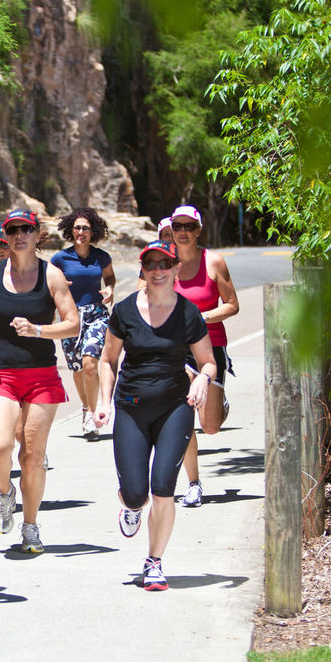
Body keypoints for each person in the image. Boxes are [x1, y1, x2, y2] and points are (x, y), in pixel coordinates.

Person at [93, 241, 216, 591]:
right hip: (131, 408)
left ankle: (154, 562)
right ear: (142, 270)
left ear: (176, 269)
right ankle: (131, 508)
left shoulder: (188, 314)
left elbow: (208, 361)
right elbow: (107, 360)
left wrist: (203, 380)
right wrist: (104, 402)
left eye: (165, 264)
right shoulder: (126, 311)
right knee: (136, 493)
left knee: (163, 489)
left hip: (175, 407)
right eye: (151, 265)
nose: (158, 270)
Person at [0, 209, 78, 554]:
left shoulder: (52, 276)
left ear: (37, 235)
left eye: (26, 229)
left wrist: (39, 331)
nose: (19, 234)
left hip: (41, 376)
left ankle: (31, 526)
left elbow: (73, 324)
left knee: (32, 456)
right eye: (13, 229)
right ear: (6, 235)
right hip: (2, 373)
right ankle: (5, 492)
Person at [167, 205, 239, 507]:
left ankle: (218, 403)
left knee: (209, 426)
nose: (183, 232)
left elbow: (232, 305)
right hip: (176, 349)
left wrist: (201, 317)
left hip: (211, 346)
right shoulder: (162, 261)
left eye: (189, 226)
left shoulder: (214, 262)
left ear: (198, 229)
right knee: (184, 414)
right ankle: (193, 483)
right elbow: (144, 297)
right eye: (177, 226)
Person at [50, 207, 116, 440]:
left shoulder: (101, 256)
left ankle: (94, 412)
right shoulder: (59, 259)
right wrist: (59, 285)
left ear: (93, 231)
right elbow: (49, 284)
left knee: (89, 363)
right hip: (70, 317)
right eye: (77, 227)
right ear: (71, 230)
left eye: (86, 228)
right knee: (77, 370)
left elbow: (109, 276)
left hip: (96, 314)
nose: (81, 232)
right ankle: (86, 409)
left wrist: (109, 288)